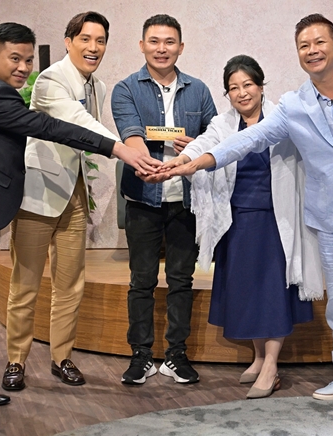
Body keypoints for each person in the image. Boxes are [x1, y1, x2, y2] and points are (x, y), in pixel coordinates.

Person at [163, 14, 333, 410]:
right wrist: (197, 161)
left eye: (319, 42)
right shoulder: (294, 105)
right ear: (298, 54)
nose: (312, 50)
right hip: (332, 217)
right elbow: (249, 139)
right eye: (304, 46)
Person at [0, 22, 158, 407]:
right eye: (15, 59)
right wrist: (118, 149)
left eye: (28, 60)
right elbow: (50, 126)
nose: (24, 68)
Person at [158, 55, 323, 399]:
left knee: (272, 293)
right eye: (233, 88)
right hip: (237, 221)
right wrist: (185, 159)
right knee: (249, 291)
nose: (242, 93)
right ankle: (259, 356)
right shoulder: (224, 123)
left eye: (248, 84)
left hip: (275, 219)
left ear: (261, 87)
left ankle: (272, 366)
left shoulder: (281, 117)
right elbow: (204, 144)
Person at [2, 11, 123, 391]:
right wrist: (123, 149)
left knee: (71, 285)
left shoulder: (98, 85)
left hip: (74, 194)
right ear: (69, 42)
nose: (93, 47)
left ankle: (62, 357)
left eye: (100, 40)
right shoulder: (50, 79)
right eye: (85, 38)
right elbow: (76, 123)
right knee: (26, 284)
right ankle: (16, 360)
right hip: (38, 196)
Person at [111, 14, 217, 385]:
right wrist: (149, 165)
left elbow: (215, 136)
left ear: (180, 47)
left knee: (181, 280)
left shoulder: (199, 90)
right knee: (141, 280)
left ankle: (176, 356)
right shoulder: (126, 88)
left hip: (185, 201)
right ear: (142, 45)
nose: (162, 49)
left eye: (169, 42)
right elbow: (131, 135)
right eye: (154, 41)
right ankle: (140, 356)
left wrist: (196, 146)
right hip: (143, 197)